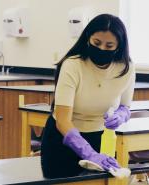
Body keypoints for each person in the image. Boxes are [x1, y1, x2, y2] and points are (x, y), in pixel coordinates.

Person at [41, 14, 135, 178]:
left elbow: (125, 106)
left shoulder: (126, 68)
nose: (102, 49)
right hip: (62, 140)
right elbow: (63, 121)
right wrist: (88, 152)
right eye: (97, 43)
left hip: (98, 138)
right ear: (87, 38)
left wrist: (121, 115)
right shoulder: (73, 65)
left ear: (119, 46)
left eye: (109, 45)